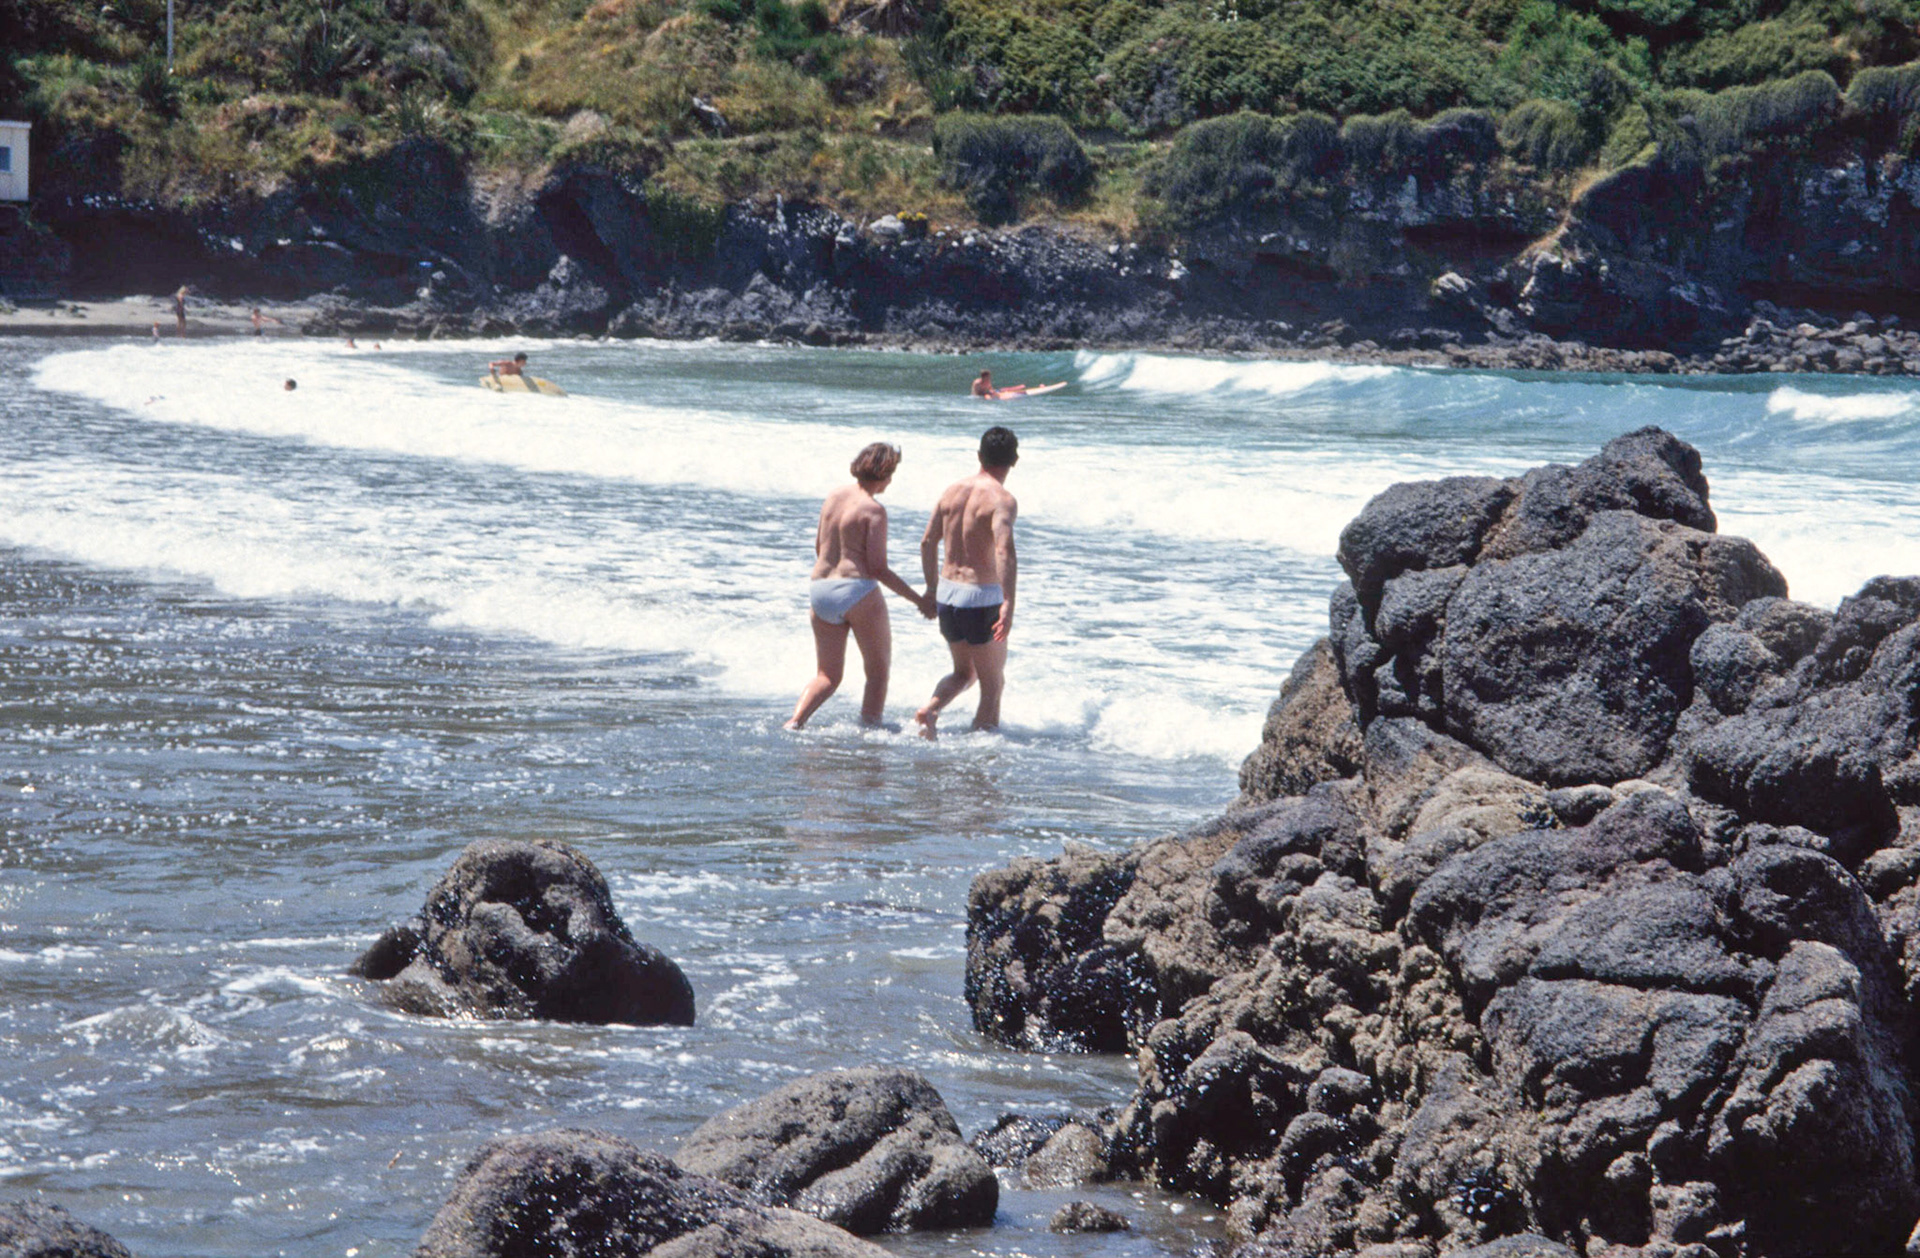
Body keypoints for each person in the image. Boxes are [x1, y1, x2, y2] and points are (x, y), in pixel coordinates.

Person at [787, 442, 934, 730]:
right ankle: (869, 732)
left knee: (827, 675)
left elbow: (819, 547)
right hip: (856, 592)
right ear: (884, 473)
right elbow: (878, 568)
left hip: (820, 589)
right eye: (892, 474)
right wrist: (919, 600)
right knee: (877, 674)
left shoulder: (833, 497)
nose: (891, 481)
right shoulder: (874, 510)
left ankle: (794, 722)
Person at [915, 426, 1019, 739]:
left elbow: (927, 542)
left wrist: (931, 589)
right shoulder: (1002, 500)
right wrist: (1008, 602)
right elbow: (1003, 551)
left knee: (964, 672)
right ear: (1014, 460)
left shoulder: (952, 491)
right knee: (993, 684)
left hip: (948, 594)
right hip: (981, 598)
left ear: (979, 456)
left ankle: (931, 709)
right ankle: (983, 751)